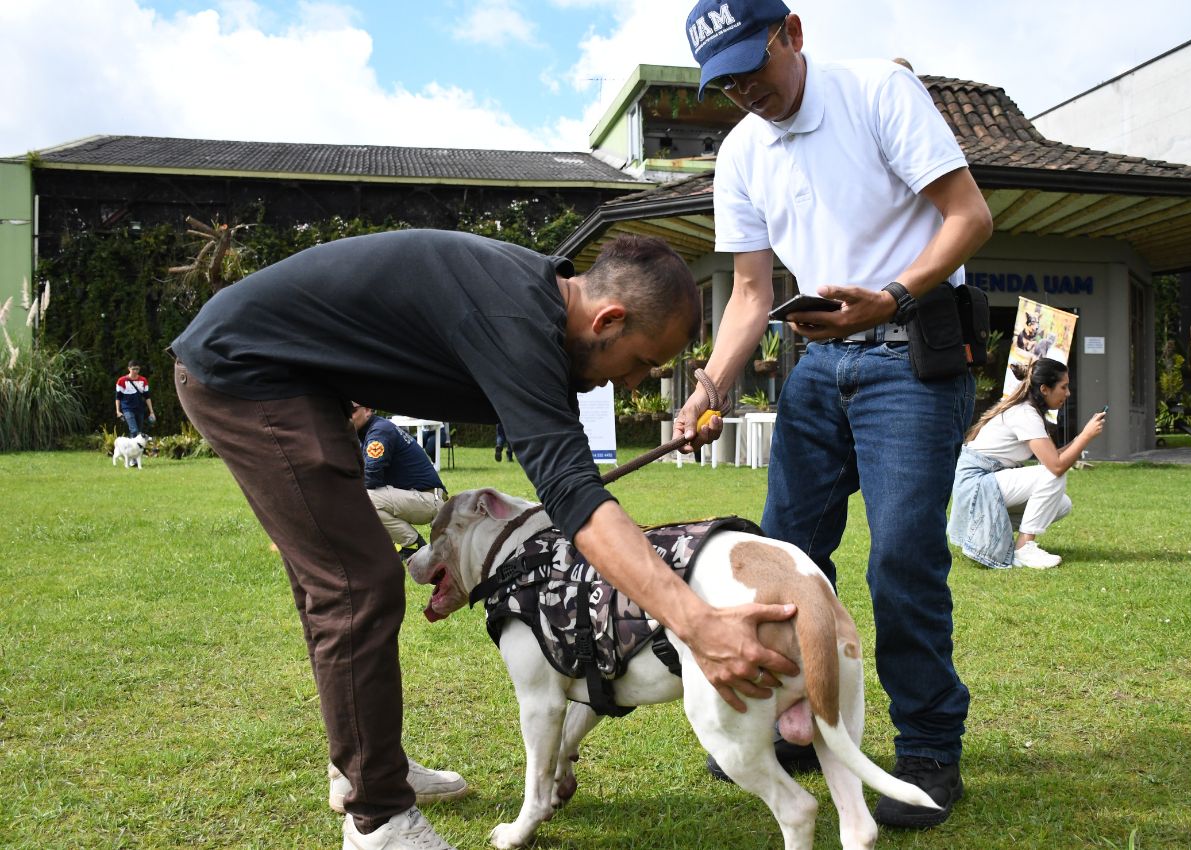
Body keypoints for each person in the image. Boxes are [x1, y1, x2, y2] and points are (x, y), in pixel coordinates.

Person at [170, 229, 799, 850]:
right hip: (247, 371)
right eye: (639, 363)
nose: (631, 384)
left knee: (343, 581)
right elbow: (577, 503)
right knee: (355, 585)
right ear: (607, 319)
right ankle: (378, 820)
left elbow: (571, 486)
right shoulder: (516, 323)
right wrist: (696, 622)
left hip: (301, 381)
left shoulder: (540, 311)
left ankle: (363, 764)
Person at [678, 0, 992, 829]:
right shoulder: (741, 151)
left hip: (910, 353)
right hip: (819, 361)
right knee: (781, 557)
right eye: (727, 81)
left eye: (756, 64)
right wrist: (710, 385)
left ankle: (927, 744)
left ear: (795, 33)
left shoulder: (878, 92)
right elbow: (751, 292)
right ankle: (789, 727)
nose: (747, 89)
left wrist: (888, 295)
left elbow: (971, 216)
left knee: (901, 559)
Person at [948, 359, 1105, 569]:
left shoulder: (1028, 411)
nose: (1067, 394)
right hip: (977, 485)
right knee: (1052, 474)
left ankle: (995, 533)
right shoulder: (1025, 414)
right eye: (1063, 387)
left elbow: (1051, 457)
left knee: (1062, 504)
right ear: (1044, 389)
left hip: (981, 484)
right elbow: (1056, 466)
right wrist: (1085, 436)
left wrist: (1080, 438)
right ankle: (1024, 547)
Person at [349, 403, 447, 562]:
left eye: (351, 410)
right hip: (417, 497)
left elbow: (371, 477)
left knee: (364, 497)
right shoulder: (366, 433)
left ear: (367, 410)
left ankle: (412, 544)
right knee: (359, 496)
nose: (347, 416)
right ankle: (397, 544)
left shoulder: (379, 431)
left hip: (430, 500)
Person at [115, 360, 156, 438]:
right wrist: (118, 411)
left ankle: (133, 448)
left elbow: (147, 397)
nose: (135, 371)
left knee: (138, 432)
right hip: (127, 409)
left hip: (140, 409)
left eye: (137, 369)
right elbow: (118, 397)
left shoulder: (143, 380)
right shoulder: (121, 380)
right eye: (133, 369)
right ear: (129, 369)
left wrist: (151, 412)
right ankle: (133, 448)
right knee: (134, 430)